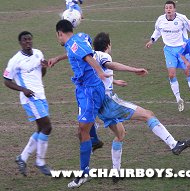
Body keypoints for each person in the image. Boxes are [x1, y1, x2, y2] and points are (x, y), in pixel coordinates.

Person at [94, 32, 190, 184]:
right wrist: (134, 70)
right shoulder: (104, 56)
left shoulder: (92, 57)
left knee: (120, 134)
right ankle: (174, 145)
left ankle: (116, 172)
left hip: (99, 105)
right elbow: (110, 65)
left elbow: (98, 75)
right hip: (109, 102)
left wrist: (114, 82)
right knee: (148, 114)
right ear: (108, 45)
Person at [49, 20, 111, 188]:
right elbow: (82, 48)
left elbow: (88, 56)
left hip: (90, 91)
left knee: (82, 130)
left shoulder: (74, 44)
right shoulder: (80, 38)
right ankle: (95, 140)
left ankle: (84, 173)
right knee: (84, 127)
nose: (58, 39)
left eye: (57, 36)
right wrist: (57, 58)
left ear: (60, 33)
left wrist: (99, 72)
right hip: (84, 90)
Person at [3, 31, 52, 176]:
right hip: (30, 98)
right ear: (20, 43)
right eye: (25, 40)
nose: (28, 42)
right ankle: (40, 162)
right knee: (47, 127)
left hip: (41, 95)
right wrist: (23, 89)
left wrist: (43, 67)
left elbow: (41, 75)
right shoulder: (15, 60)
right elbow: (6, 81)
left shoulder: (38, 53)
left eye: (29, 39)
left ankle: (22, 158)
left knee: (40, 129)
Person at [145, 0, 190, 112]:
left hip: (182, 49)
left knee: (188, 72)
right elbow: (157, 31)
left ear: (174, 9)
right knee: (171, 75)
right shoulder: (160, 20)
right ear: (165, 9)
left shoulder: (182, 18)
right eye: (166, 8)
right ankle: (179, 99)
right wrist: (151, 41)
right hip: (168, 50)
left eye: (170, 7)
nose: (168, 9)